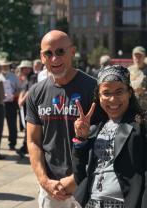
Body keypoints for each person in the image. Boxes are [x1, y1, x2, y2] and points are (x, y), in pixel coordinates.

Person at [26, 30, 96, 208]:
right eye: (48, 53)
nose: (54, 59)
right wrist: (44, 181)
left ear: (72, 52)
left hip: (88, 182)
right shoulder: (35, 92)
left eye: (60, 52)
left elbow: (104, 143)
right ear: (42, 57)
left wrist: (75, 179)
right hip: (51, 188)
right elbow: (33, 141)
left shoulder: (93, 88)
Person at [72, 65, 147, 208]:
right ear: (99, 96)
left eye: (119, 92)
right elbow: (79, 175)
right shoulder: (94, 129)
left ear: (129, 93)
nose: (113, 99)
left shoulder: (141, 125)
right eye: (106, 93)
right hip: (92, 204)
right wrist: (81, 139)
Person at [0, 58, 20, 151]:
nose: (5, 67)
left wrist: (13, 95)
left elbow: (19, 90)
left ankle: (12, 143)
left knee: (12, 124)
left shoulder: (13, 76)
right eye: (3, 66)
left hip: (11, 103)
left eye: (6, 65)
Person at [16, 60, 34, 158]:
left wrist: (22, 100)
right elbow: (23, 89)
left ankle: (25, 147)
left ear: (28, 68)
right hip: (26, 106)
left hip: (31, 106)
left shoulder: (33, 77)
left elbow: (30, 90)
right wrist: (20, 99)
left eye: (23, 68)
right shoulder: (26, 78)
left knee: (29, 128)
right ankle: (25, 147)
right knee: (27, 127)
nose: (22, 70)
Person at [128, 46, 147, 111]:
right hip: (132, 107)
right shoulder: (129, 70)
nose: (137, 59)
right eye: (136, 56)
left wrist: (144, 91)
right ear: (132, 57)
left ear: (144, 56)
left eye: (140, 56)